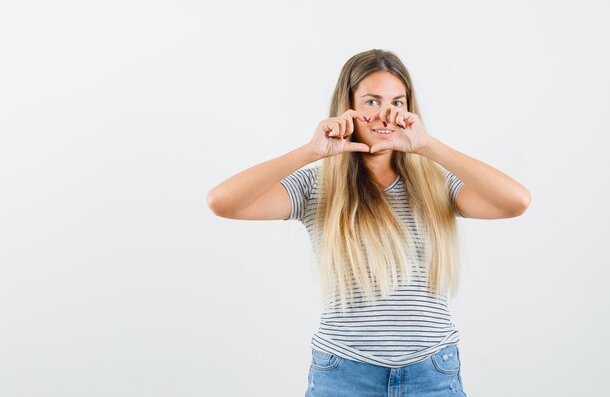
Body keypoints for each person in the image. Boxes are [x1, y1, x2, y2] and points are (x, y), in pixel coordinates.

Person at [206, 49, 531, 397]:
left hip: (432, 374)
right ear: (347, 107)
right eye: (372, 102)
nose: (386, 115)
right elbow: (223, 202)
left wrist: (429, 146)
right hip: (344, 375)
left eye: (398, 102)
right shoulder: (317, 185)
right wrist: (309, 152)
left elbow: (516, 201)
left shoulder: (438, 183)